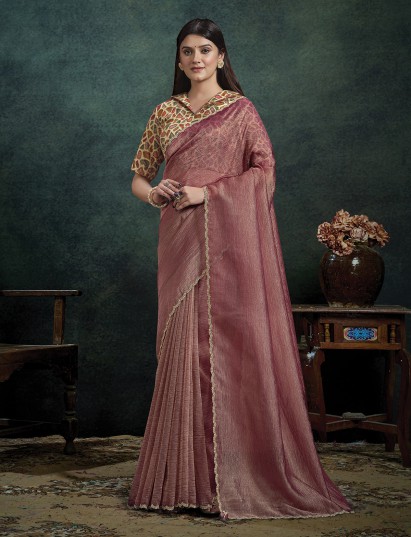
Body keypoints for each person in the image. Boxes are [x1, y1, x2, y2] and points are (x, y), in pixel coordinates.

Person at [128, 18, 351, 520]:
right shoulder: (164, 112)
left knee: (232, 345)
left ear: (222, 57)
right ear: (178, 59)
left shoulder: (241, 111)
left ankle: (234, 476)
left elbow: (264, 173)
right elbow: (139, 177)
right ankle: (179, 482)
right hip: (180, 239)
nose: (196, 59)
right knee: (183, 348)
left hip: (230, 243)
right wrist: (155, 194)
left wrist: (208, 193)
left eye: (205, 50)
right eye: (188, 51)